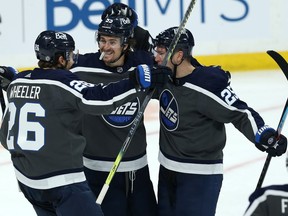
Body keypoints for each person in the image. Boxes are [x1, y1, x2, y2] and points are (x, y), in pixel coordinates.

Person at [0, 30, 171, 216]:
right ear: (62, 58)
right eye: (71, 53)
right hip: (62, 184)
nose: (74, 57)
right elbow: (99, 99)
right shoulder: (63, 82)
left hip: (28, 183)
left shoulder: (17, 83)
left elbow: (5, 138)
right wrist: (135, 80)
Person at [153, 26, 288, 216]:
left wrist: (264, 135)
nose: (155, 58)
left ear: (178, 56)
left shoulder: (206, 86)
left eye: (161, 52)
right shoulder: (164, 77)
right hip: (167, 169)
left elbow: (240, 113)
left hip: (199, 174)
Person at [70, 7, 158, 216]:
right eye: (102, 40)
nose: (105, 47)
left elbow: (177, 68)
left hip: (138, 169)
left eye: (112, 42)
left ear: (126, 44)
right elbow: (49, 75)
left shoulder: (143, 64)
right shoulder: (82, 67)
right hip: (96, 171)